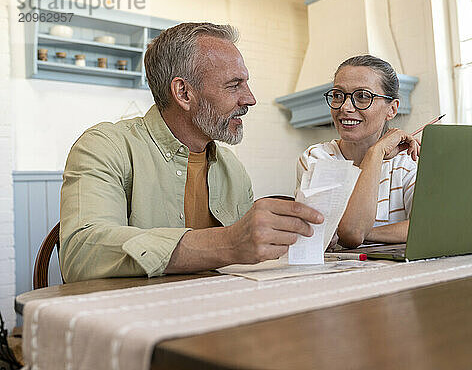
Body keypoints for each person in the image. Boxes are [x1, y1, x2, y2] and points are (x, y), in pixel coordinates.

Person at [59, 22, 323, 282]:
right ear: (184, 93)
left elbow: (247, 256)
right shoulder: (105, 146)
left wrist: (296, 237)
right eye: (234, 85)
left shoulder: (232, 167)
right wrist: (227, 242)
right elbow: (81, 253)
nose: (250, 99)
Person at [297, 55, 419, 249]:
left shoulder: (407, 163)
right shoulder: (317, 158)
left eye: (362, 96)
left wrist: (365, 233)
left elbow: (425, 228)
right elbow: (352, 234)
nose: (345, 107)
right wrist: (375, 153)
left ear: (392, 109)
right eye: (338, 95)